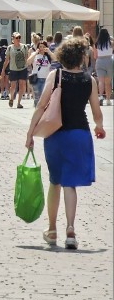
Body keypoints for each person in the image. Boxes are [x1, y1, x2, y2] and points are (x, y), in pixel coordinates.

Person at [25, 37, 105, 250]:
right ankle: (70, 229)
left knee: (55, 181)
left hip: (56, 134)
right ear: (81, 57)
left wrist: (30, 133)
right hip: (79, 134)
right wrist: (99, 127)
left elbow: (41, 106)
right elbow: (97, 112)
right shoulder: (90, 80)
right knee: (70, 184)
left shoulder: (55, 75)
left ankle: (52, 230)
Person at [2, 32, 29, 108]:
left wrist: (30, 66)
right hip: (13, 69)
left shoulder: (24, 47)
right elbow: (7, 60)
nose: (18, 39)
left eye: (19, 37)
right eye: (16, 38)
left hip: (23, 68)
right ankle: (11, 98)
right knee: (13, 86)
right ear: (13, 39)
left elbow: (27, 58)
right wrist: (3, 70)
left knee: (22, 85)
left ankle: (19, 102)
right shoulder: (10, 48)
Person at [26, 40, 55, 107]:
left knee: (44, 97)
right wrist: (35, 53)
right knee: (37, 97)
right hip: (36, 79)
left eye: (43, 47)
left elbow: (56, 59)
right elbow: (28, 62)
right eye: (40, 47)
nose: (41, 48)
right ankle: (37, 111)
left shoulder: (48, 56)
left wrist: (49, 52)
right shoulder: (35, 55)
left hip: (46, 79)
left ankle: (41, 112)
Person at [94, 28, 113, 106]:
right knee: (108, 82)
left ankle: (101, 96)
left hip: (100, 61)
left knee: (101, 81)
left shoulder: (96, 44)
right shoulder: (111, 43)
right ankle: (108, 99)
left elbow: (95, 56)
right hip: (109, 60)